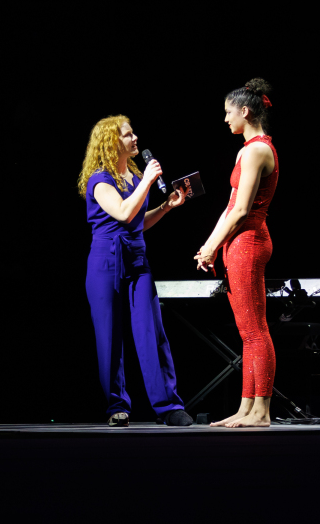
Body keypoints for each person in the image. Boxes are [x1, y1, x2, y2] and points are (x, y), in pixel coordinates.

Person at [78, 115, 193, 427]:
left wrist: (166, 206)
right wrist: (148, 181)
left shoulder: (133, 176)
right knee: (109, 336)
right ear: (111, 142)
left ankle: (168, 406)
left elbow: (138, 223)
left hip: (137, 259)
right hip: (105, 261)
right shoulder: (100, 180)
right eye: (128, 135)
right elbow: (123, 213)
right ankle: (117, 406)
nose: (135, 138)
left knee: (151, 331)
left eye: (132, 133)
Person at [194, 79, 279, 427]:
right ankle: (247, 408)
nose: (226, 118)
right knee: (247, 333)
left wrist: (213, 245)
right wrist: (210, 246)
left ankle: (262, 411)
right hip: (237, 242)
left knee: (256, 330)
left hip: (249, 241)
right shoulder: (246, 150)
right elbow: (230, 207)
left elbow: (242, 210)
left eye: (229, 112)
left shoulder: (257, 150)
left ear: (245, 111)